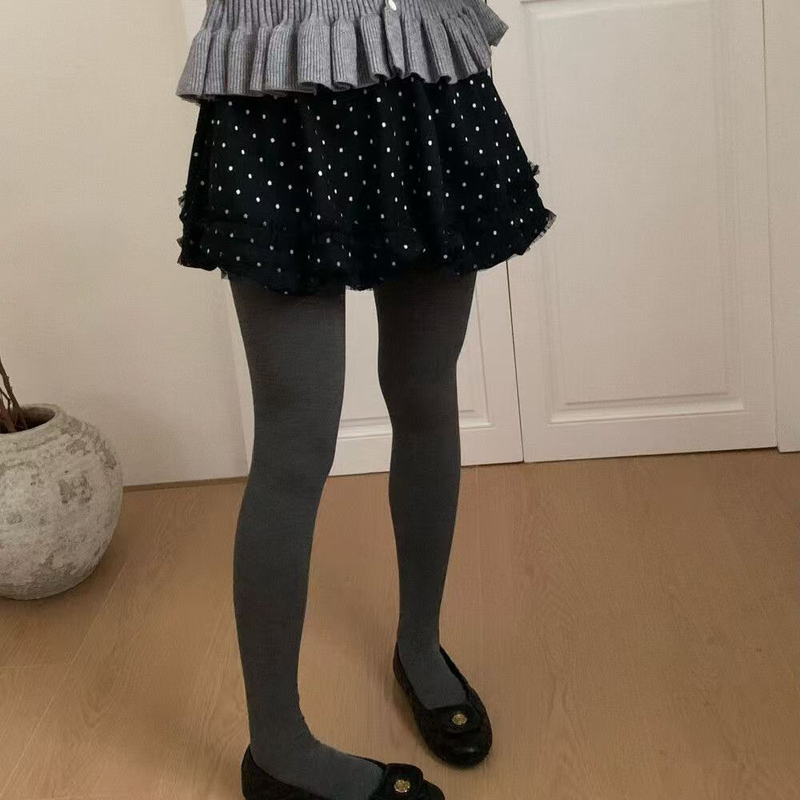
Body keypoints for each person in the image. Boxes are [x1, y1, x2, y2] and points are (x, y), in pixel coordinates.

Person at [175, 1, 556, 797]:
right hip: (276, 79)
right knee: (295, 436)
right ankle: (276, 748)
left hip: (420, 62)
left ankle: (420, 645)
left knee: (426, 392)